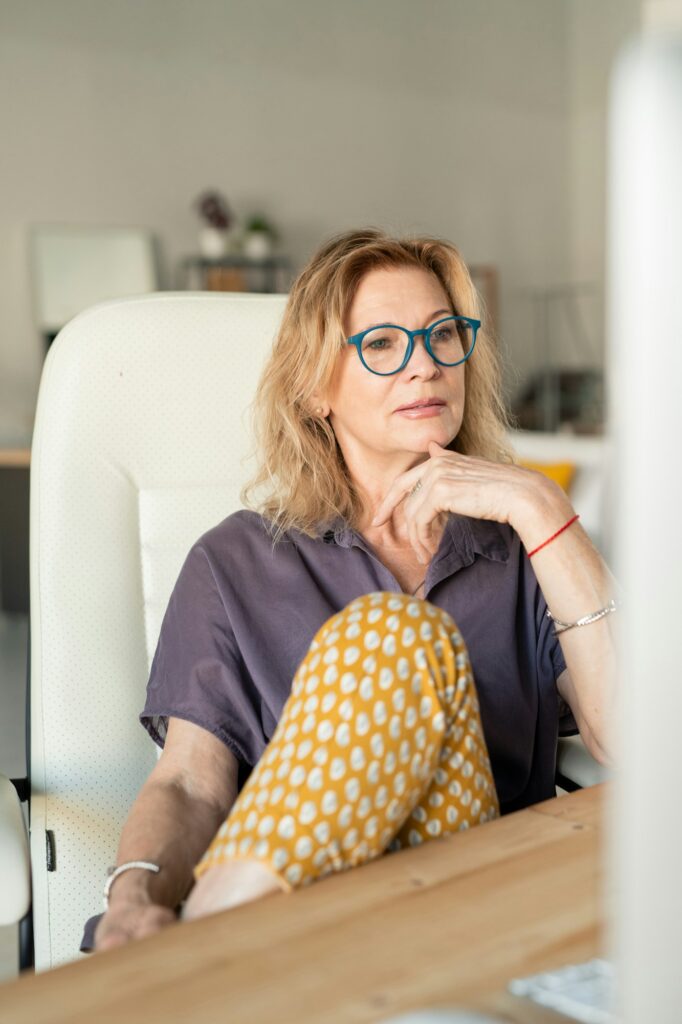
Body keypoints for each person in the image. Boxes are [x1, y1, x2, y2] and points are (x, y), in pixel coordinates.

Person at [84, 227, 617, 953]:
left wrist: (546, 513)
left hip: (478, 911)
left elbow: (633, 744)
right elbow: (187, 785)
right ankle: (226, 931)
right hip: (309, 922)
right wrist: (132, 901)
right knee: (393, 632)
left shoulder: (526, 549)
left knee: (398, 634)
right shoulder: (235, 560)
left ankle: (213, 941)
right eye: (384, 345)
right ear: (314, 388)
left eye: (442, 336)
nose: (425, 366)